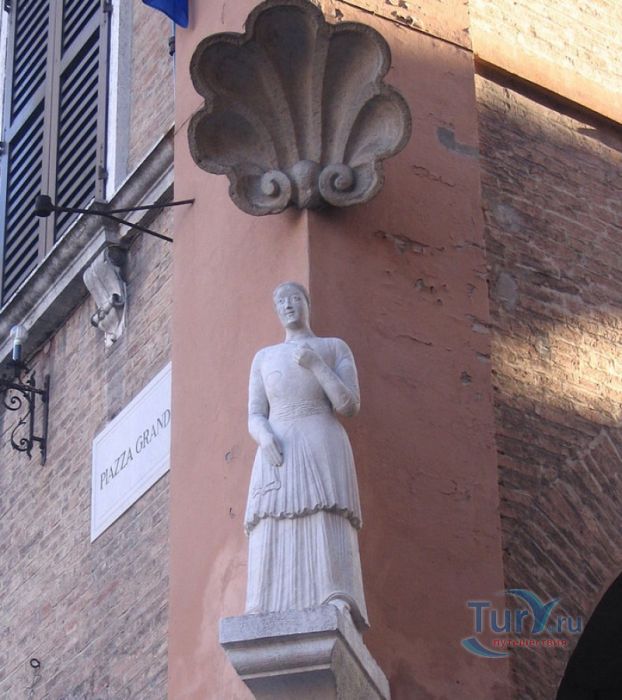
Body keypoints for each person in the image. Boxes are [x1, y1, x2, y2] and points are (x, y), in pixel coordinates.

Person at [244, 281, 369, 631]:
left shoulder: (332, 348)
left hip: (321, 438)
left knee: (324, 514)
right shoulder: (264, 358)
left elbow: (349, 405)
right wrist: (264, 435)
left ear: (306, 304)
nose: (288, 305)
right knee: (271, 517)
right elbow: (255, 413)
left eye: (295, 299)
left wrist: (316, 364)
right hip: (278, 445)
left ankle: (335, 596)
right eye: (281, 301)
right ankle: (264, 602)